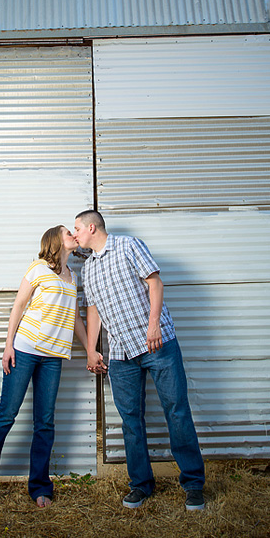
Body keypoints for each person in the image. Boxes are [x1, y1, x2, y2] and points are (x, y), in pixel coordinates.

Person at [74, 209, 206, 511]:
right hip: (120, 355)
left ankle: (193, 484)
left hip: (156, 344)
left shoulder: (129, 245)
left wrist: (154, 323)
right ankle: (141, 485)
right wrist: (93, 349)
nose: (76, 234)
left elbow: (155, 283)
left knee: (177, 411)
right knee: (131, 421)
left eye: (77, 229)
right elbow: (93, 310)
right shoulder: (88, 269)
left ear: (92, 228)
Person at [0, 225, 104, 509]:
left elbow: (76, 319)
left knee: (45, 423)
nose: (74, 235)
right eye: (69, 232)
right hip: (25, 349)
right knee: (6, 415)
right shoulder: (38, 267)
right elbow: (18, 306)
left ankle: (40, 487)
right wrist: (8, 345)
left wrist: (90, 351)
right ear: (56, 239)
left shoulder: (73, 276)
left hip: (54, 357)